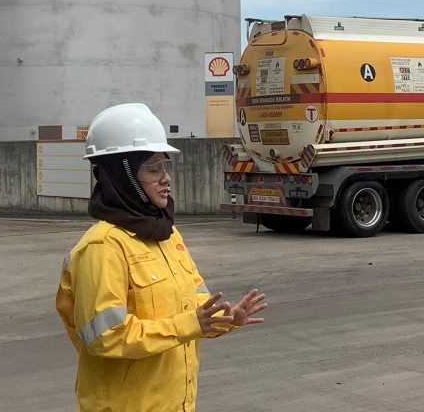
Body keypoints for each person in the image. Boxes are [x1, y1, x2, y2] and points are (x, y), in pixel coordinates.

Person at [56, 102, 267, 412]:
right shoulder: (103, 247)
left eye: (165, 167)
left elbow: (195, 308)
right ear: (122, 175)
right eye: (153, 169)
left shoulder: (166, 235)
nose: (165, 178)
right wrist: (189, 324)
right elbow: (105, 338)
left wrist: (226, 318)